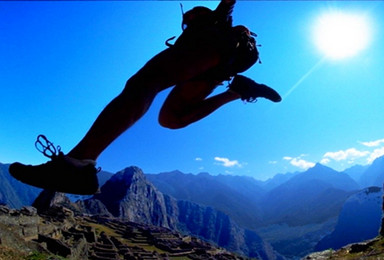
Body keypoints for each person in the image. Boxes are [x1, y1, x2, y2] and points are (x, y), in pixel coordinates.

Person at [9, 0, 281, 195]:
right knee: (171, 118)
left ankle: (77, 164)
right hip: (223, 64)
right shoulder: (205, 41)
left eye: (189, 20)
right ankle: (238, 91)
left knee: (144, 83)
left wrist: (220, 16)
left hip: (220, 48)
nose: (185, 22)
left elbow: (225, 7)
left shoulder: (212, 28)